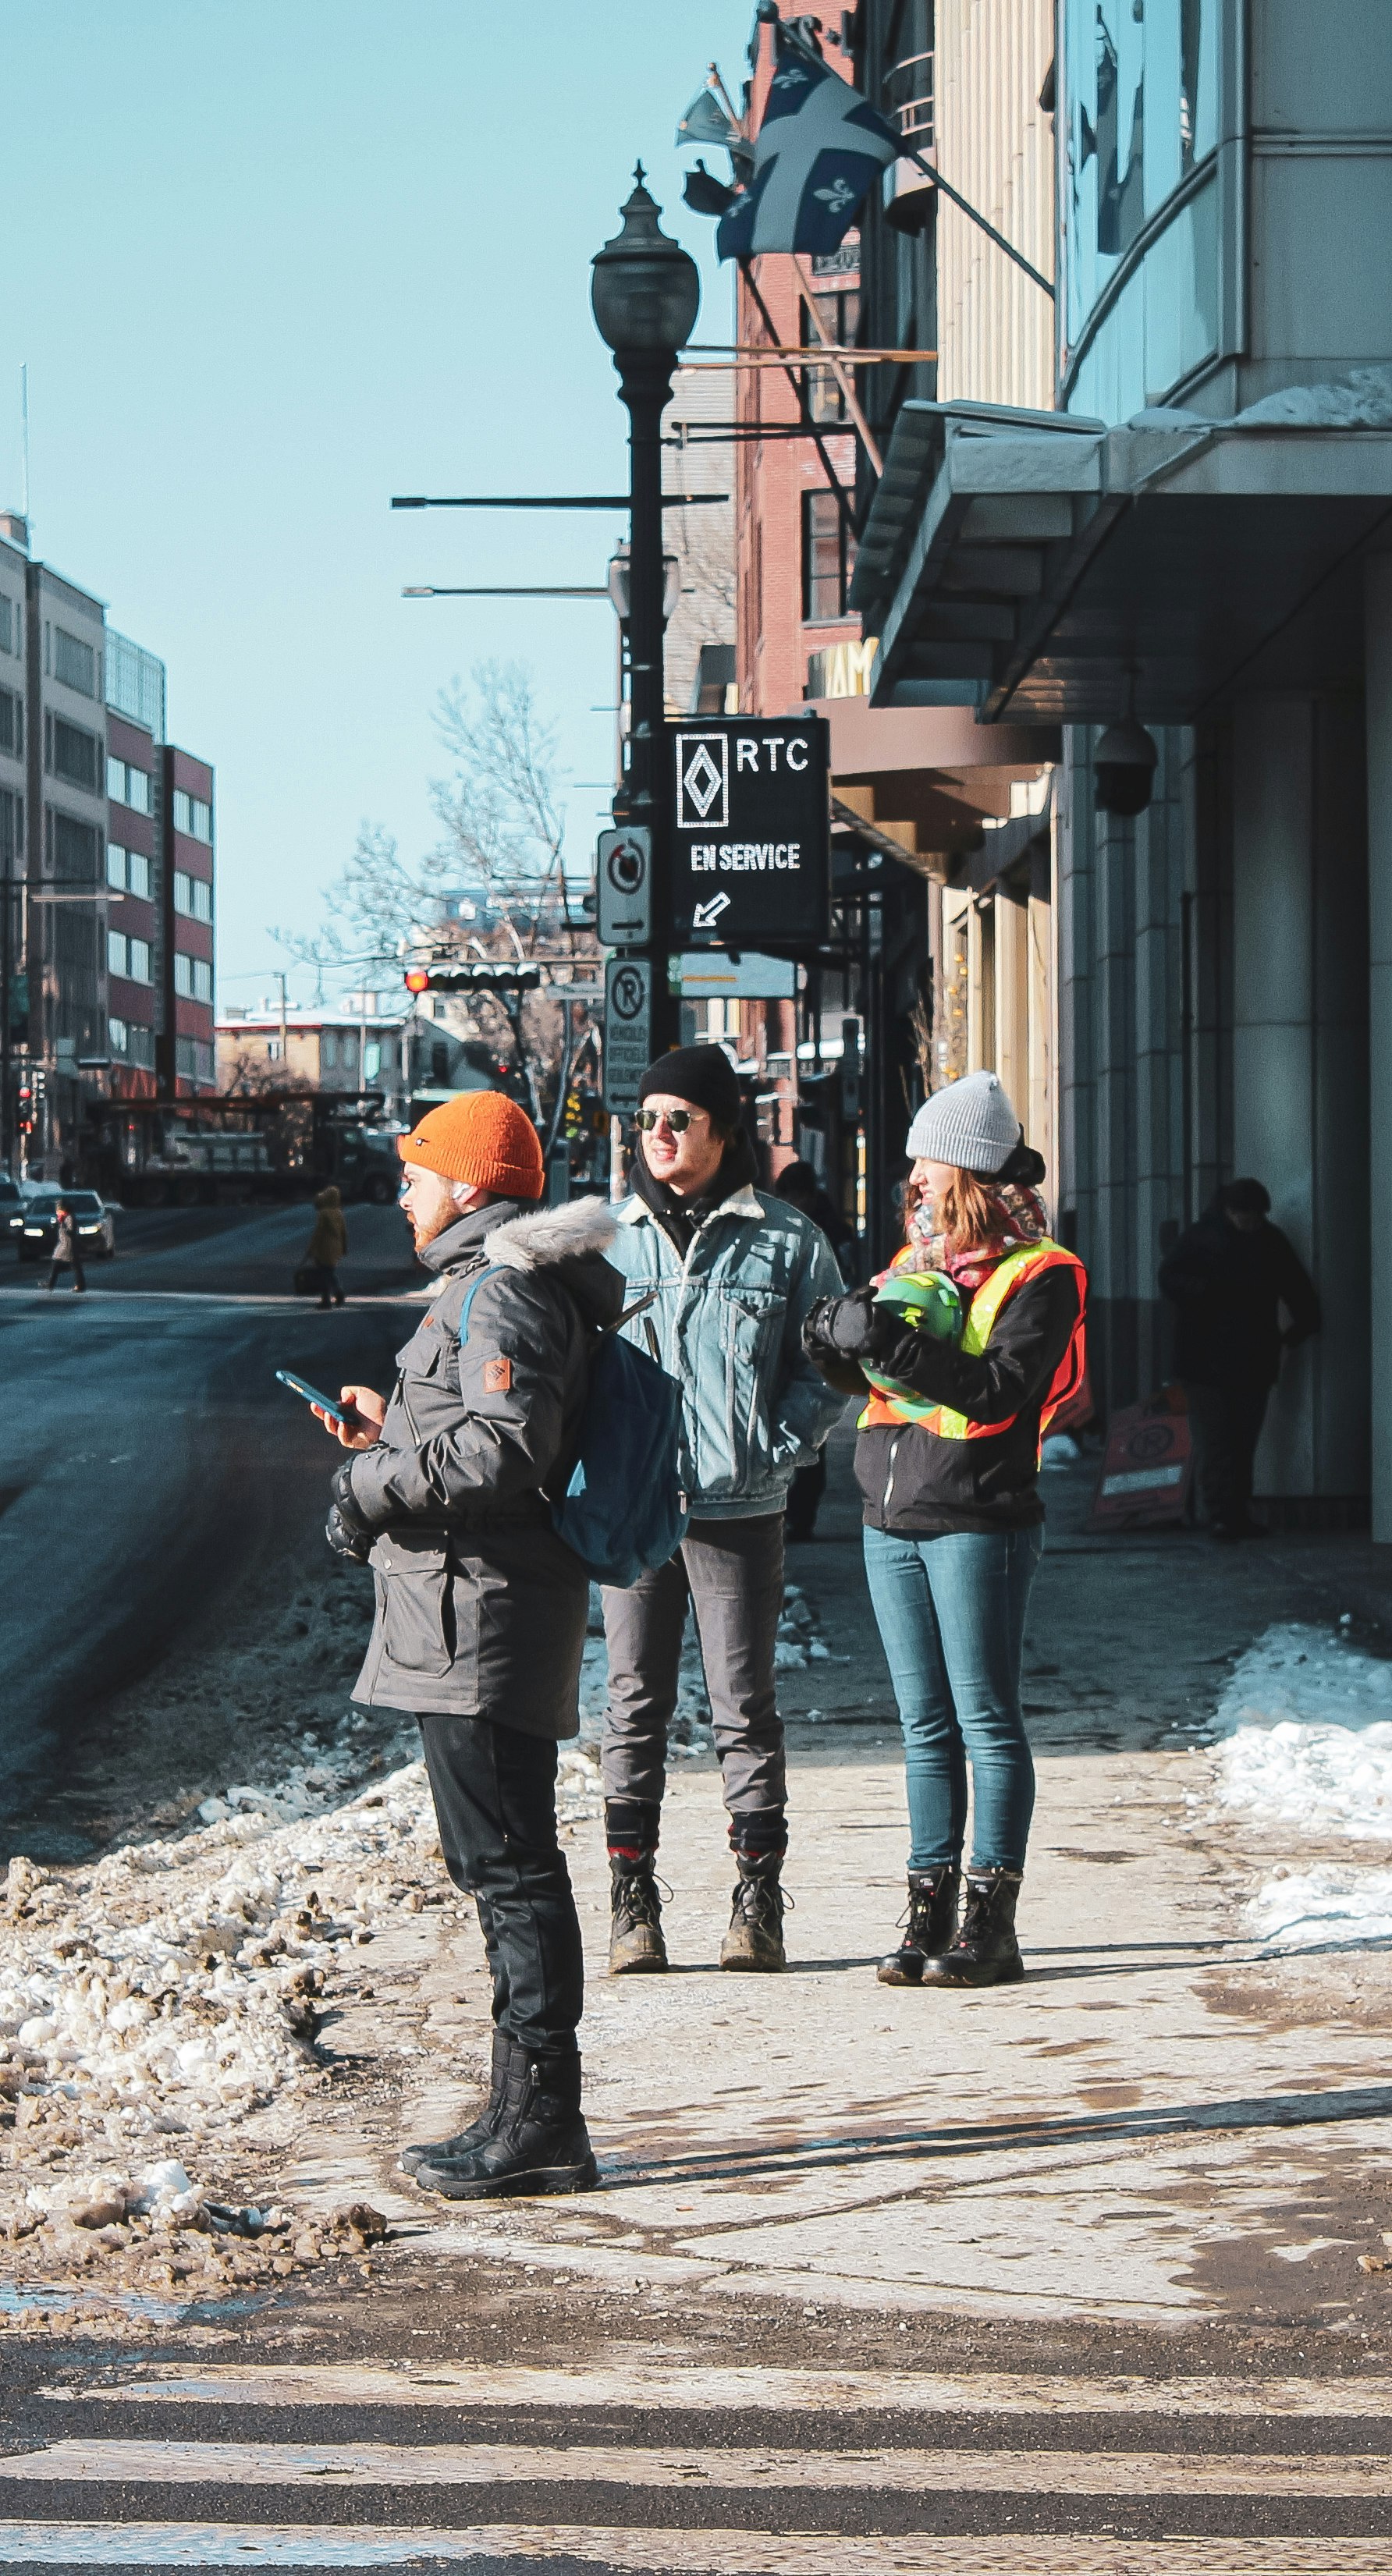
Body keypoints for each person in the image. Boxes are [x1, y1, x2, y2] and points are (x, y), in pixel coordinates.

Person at [315, 1089, 625, 2199]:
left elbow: (504, 1453)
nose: (402, 1190)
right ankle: (516, 2106)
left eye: (416, 1170)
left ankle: (545, 2118)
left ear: (470, 1183)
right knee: (497, 1864)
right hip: (468, 1612)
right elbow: (473, 1434)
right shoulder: (484, 1288)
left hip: (481, 1618)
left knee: (511, 1866)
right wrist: (387, 1431)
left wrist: (369, 1480)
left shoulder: (505, 1291)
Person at [803, 1071, 1086, 1990]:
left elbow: (1000, 1392)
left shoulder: (1040, 1273)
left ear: (962, 1169)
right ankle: (925, 1911)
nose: (912, 1182)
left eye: (925, 1165)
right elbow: (870, 1377)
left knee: (985, 1721)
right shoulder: (912, 1264)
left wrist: (880, 1340)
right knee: (924, 1727)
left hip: (979, 1520)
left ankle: (989, 1922)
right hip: (889, 1513)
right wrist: (831, 1334)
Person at [602, 1046, 846, 1977]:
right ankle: (632, 1901)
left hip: (738, 1509)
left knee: (744, 1709)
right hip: (633, 1511)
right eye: (648, 1118)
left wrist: (776, 1446)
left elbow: (829, 1364)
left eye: (681, 1119)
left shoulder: (785, 1240)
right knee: (633, 1706)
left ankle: (755, 1901)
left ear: (722, 1129)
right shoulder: (604, 1240)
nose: (659, 1135)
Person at [1159, 1177, 1320, 1541]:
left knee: (1241, 1441)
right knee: (1219, 1440)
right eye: (1243, 1215)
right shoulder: (1207, 1240)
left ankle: (1232, 1514)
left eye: (1255, 1216)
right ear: (1228, 1211)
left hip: (1239, 1356)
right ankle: (1220, 1515)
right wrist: (1209, 1292)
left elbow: (1294, 1284)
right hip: (1212, 1361)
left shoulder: (1263, 1240)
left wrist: (1304, 1323)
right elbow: (1170, 1278)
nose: (1250, 1222)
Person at [775, 1159, 854, 1542]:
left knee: (811, 1424)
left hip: (820, 1334)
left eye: (794, 1195)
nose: (791, 1202)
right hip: (807, 1331)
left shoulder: (823, 1232)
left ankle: (800, 1515)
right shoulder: (820, 1228)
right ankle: (797, 1513)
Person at [304, 1184, 348, 1308]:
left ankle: (327, 1300)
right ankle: (338, 1293)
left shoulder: (323, 1213)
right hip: (336, 1249)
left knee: (324, 1274)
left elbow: (319, 1233)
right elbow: (344, 1232)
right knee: (330, 1272)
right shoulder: (339, 1213)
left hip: (324, 1248)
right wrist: (344, 1248)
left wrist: (311, 1249)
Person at [46, 1201, 86, 1295]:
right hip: (64, 1244)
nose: (57, 1212)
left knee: (67, 1264)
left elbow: (71, 1232)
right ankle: (51, 1284)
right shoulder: (63, 1218)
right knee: (71, 1265)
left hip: (69, 1245)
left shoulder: (69, 1218)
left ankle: (80, 1285)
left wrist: (63, 1225)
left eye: (59, 1210)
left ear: (63, 1210)